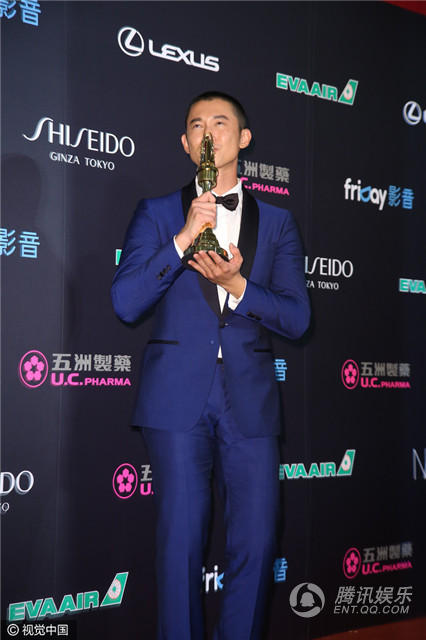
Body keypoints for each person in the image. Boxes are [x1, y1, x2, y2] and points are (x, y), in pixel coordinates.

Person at [111, 91, 310, 640]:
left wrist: (238, 285)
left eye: (220, 123)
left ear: (243, 138)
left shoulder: (278, 222)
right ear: (185, 143)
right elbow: (125, 302)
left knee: (258, 540)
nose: (208, 132)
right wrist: (180, 242)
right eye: (196, 125)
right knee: (180, 541)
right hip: (176, 396)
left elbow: (297, 318)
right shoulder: (156, 213)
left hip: (250, 397)